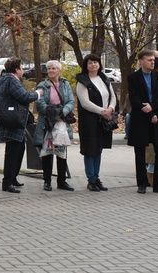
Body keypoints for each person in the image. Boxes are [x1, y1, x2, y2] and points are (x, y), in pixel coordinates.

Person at [127, 49, 158, 194]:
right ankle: (142, 183)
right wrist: (147, 110)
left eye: (153, 60)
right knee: (140, 151)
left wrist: (152, 108)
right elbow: (134, 98)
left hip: (156, 117)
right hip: (140, 118)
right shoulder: (133, 77)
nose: (153, 62)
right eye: (149, 60)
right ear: (141, 61)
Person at [75, 54, 116, 192]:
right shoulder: (82, 81)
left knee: (99, 149)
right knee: (90, 150)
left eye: (95, 62)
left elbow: (112, 96)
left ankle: (96, 177)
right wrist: (102, 111)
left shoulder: (104, 78)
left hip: (103, 120)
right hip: (89, 121)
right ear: (85, 66)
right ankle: (91, 179)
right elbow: (85, 102)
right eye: (90, 63)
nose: (93, 65)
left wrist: (110, 108)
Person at [0, 58, 37, 193]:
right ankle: (7, 182)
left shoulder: (3, 79)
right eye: (22, 67)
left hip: (11, 119)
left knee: (18, 149)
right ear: (16, 69)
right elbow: (24, 96)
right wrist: (37, 94)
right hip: (14, 120)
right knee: (13, 152)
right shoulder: (11, 80)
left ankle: (12, 178)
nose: (23, 70)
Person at [34, 60, 75, 192]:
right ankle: (47, 181)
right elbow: (39, 103)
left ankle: (62, 181)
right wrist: (52, 112)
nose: (51, 70)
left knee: (61, 152)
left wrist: (62, 112)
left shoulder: (65, 84)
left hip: (62, 122)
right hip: (47, 123)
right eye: (49, 68)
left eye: (54, 68)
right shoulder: (42, 85)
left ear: (59, 70)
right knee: (47, 152)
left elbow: (70, 101)